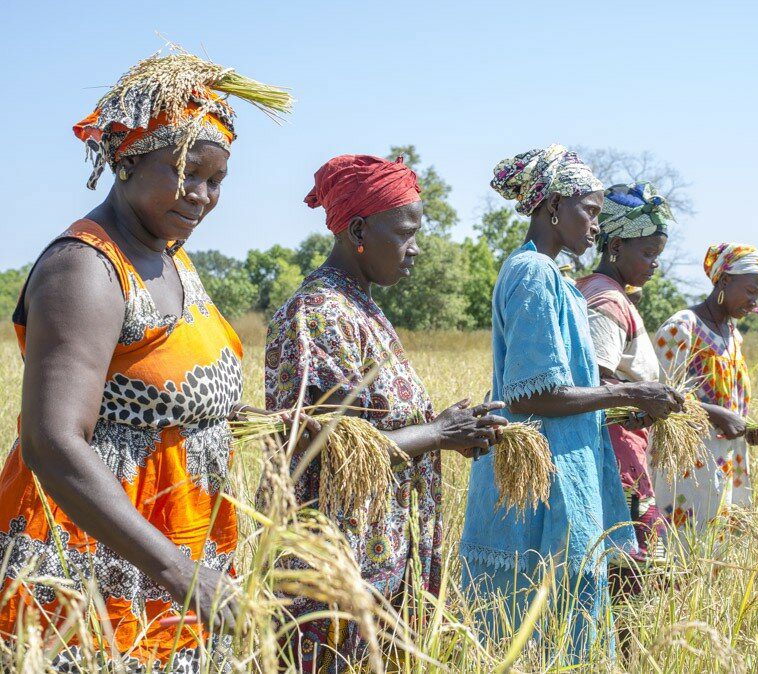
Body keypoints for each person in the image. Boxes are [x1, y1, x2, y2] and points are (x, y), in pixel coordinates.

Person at [0, 52, 307, 672]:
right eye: (187, 172)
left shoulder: (170, 255)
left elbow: (162, 391)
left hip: (178, 554)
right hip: (97, 564)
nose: (202, 196)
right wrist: (175, 569)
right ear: (125, 160)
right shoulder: (86, 267)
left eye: (216, 180)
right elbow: (52, 441)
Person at [265, 154, 508, 672]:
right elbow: (320, 449)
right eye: (404, 233)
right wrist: (438, 433)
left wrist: (451, 430)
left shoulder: (361, 307)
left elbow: (376, 430)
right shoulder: (318, 314)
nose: (415, 249)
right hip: (336, 571)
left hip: (383, 558)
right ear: (357, 229)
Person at [459, 146, 684, 662]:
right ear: (553, 207)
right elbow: (536, 393)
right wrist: (631, 392)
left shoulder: (551, 277)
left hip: (563, 466)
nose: (595, 225)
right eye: (589, 210)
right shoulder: (535, 274)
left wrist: (633, 405)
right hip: (545, 479)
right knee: (543, 635)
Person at [576, 182, 677, 597]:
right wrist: (644, 398)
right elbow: (593, 383)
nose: (655, 264)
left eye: (658, 254)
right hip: (617, 460)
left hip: (620, 452)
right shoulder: (607, 302)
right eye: (648, 253)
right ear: (616, 245)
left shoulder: (600, 291)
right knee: (629, 579)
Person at [653, 243, 758, 547]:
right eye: (752, 290)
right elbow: (660, 397)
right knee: (682, 547)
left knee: (718, 550)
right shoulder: (683, 327)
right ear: (725, 280)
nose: (756, 301)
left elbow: (730, 401)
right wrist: (718, 415)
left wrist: (747, 427)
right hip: (686, 461)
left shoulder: (732, 335)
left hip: (728, 460)